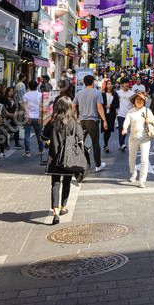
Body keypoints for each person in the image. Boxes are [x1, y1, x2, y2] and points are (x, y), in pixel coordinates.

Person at [44, 96, 87, 225]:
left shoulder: (52, 121)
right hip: (69, 158)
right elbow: (80, 139)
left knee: (55, 183)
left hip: (54, 157)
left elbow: (43, 136)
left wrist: (50, 143)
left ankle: (55, 211)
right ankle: (63, 207)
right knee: (67, 181)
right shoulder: (74, 121)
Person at [122, 92, 154, 187]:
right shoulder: (131, 111)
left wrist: (149, 120)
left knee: (144, 159)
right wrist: (125, 128)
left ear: (144, 101)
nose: (139, 101)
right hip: (133, 138)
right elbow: (126, 121)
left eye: (141, 99)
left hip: (145, 138)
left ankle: (142, 180)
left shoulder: (147, 111)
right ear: (134, 101)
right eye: (137, 99)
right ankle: (133, 174)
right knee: (132, 159)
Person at [73, 75, 107, 172]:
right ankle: (98, 165)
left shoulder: (79, 93)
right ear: (92, 82)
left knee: (80, 143)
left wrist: (76, 118)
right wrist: (104, 120)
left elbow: (73, 105)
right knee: (95, 143)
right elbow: (100, 107)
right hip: (92, 121)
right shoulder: (97, 93)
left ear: (84, 82)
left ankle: (82, 163)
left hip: (81, 121)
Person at [22, 80, 44, 160]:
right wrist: (40, 117)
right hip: (37, 117)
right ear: (37, 86)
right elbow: (41, 107)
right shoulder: (40, 95)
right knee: (39, 135)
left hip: (29, 117)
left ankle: (27, 152)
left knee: (27, 134)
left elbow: (25, 107)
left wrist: (27, 116)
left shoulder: (26, 95)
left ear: (29, 86)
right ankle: (41, 150)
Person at [100, 79, 119, 153]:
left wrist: (110, 106)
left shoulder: (115, 94)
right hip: (104, 115)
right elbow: (100, 104)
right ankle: (106, 144)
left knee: (109, 130)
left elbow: (117, 104)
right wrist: (105, 106)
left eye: (111, 84)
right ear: (106, 85)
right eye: (108, 84)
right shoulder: (103, 94)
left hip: (111, 115)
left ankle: (106, 143)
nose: (110, 85)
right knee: (105, 130)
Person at [115, 80, 134, 151]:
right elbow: (115, 102)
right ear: (122, 85)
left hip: (129, 114)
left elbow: (134, 103)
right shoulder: (118, 93)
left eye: (127, 83)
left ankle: (122, 142)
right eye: (125, 83)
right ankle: (122, 143)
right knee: (122, 128)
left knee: (125, 129)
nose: (126, 84)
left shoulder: (132, 93)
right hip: (121, 114)